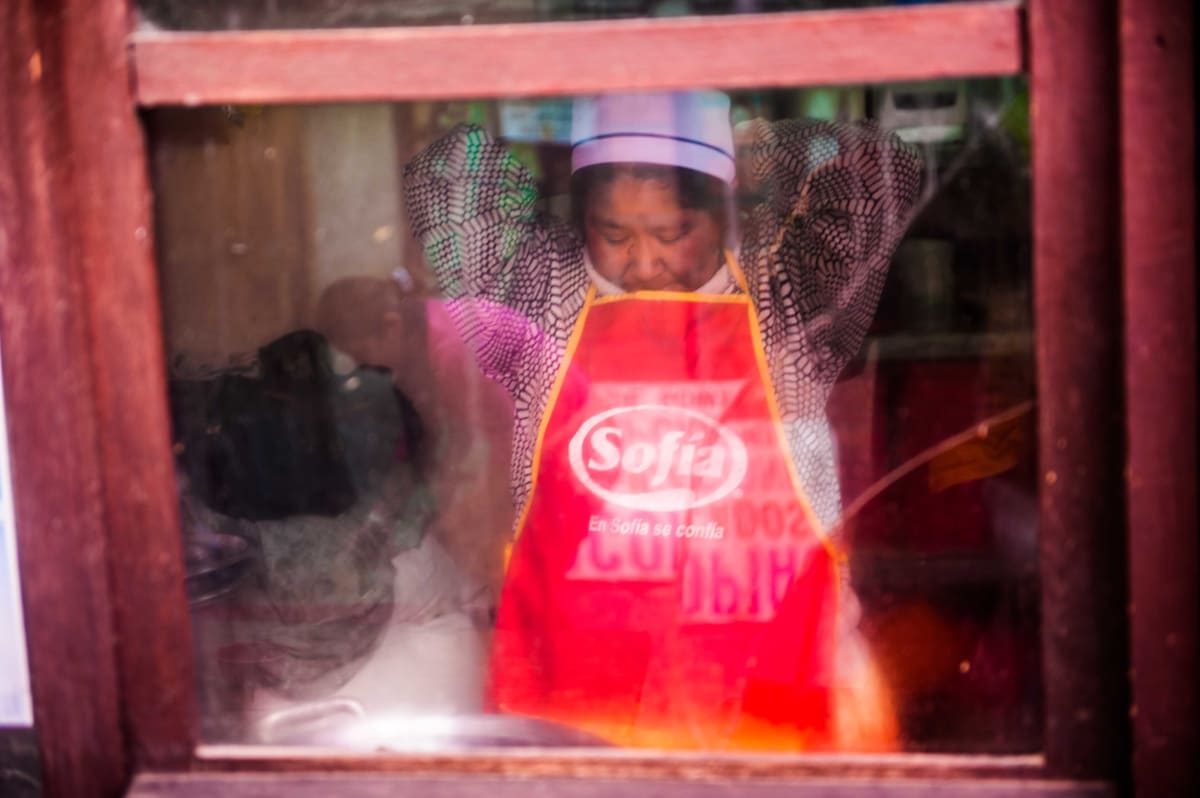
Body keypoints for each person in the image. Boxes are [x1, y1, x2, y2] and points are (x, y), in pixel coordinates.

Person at [398, 90, 922, 751]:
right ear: (580, 218)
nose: (644, 261)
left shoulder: (786, 290)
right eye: (613, 234)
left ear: (723, 215)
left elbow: (885, 171)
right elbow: (441, 173)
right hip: (579, 681)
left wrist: (750, 148)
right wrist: (559, 152)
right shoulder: (541, 285)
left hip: (768, 677)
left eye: (672, 233)